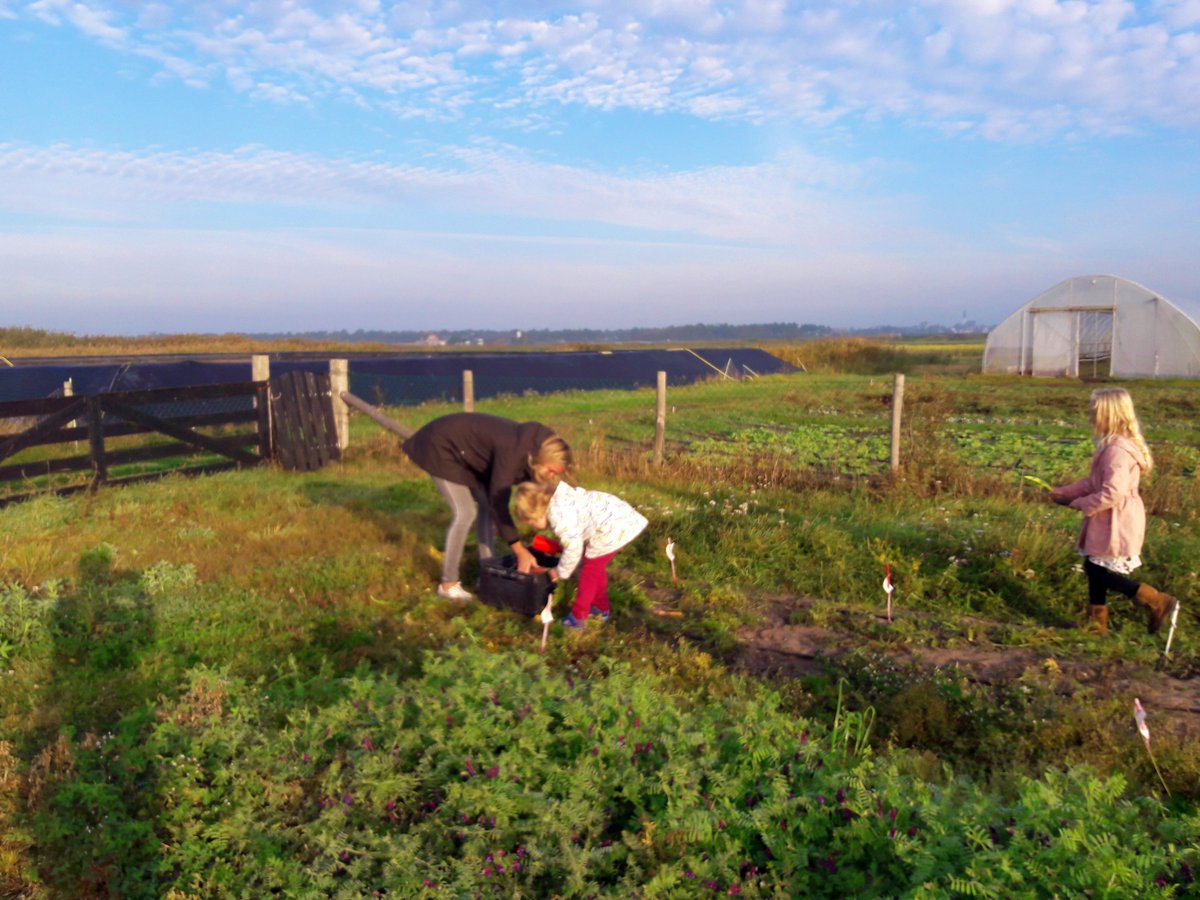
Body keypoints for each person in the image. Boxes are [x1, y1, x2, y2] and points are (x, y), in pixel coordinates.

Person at [402, 412, 572, 601]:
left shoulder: (537, 451)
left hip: (469, 454)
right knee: (465, 513)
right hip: (441, 446)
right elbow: (499, 501)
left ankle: (486, 577)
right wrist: (519, 550)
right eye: (550, 471)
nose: (550, 476)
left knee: (488, 509)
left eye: (555, 474)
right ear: (542, 460)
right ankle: (448, 585)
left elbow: (504, 499)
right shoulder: (514, 452)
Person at [1050, 388, 1178, 636]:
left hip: (1117, 520)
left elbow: (1112, 493)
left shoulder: (1117, 451)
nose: (1090, 417)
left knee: (1097, 570)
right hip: (1109, 517)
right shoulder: (1111, 446)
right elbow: (1092, 483)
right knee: (1093, 566)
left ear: (1111, 415)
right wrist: (1064, 492)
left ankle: (1157, 600)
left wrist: (1077, 503)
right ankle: (1096, 626)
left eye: (1094, 412)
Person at [513, 479, 647, 628]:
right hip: (617, 519)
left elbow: (573, 548)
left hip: (611, 528)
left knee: (588, 572)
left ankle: (578, 617)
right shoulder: (558, 500)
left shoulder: (559, 517)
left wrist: (558, 572)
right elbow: (575, 534)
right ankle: (601, 608)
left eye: (531, 522)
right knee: (595, 568)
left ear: (536, 514)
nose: (534, 527)